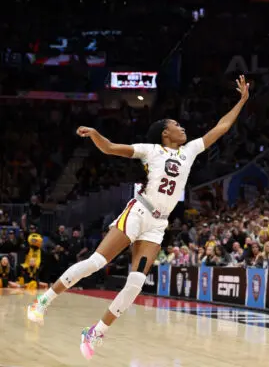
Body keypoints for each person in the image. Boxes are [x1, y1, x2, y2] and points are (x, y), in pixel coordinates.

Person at [27, 75, 250, 359]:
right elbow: (109, 148)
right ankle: (43, 301)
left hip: (158, 224)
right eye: (177, 126)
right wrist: (95, 133)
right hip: (139, 210)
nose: (183, 128)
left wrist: (242, 101)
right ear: (165, 134)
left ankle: (95, 332)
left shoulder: (190, 150)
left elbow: (222, 126)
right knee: (96, 262)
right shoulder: (151, 150)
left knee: (135, 284)